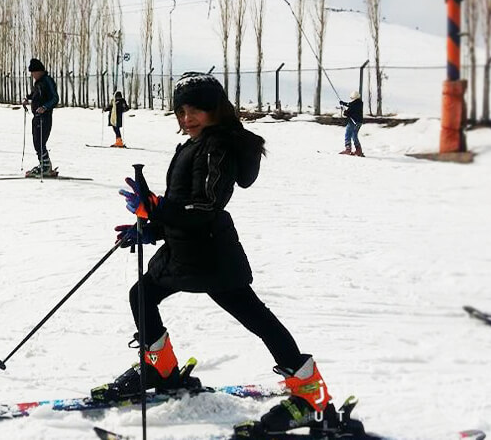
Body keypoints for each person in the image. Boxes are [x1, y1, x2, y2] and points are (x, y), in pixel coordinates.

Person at [98, 72, 334, 436]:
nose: (187, 117)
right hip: (184, 251)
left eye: (197, 109)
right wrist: (148, 226)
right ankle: (160, 368)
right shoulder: (196, 144)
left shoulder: (217, 147)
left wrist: (156, 208)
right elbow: (181, 205)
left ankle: (310, 397)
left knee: (257, 319)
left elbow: (205, 207)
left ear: (215, 110)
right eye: (182, 110)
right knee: (142, 294)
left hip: (211, 255)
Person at [23, 58, 59, 177]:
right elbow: (35, 95)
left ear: (39, 71)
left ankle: (45, 166)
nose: (33, 75)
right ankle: (45, 165)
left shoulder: (47, 81)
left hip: (45, 117)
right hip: (37, 117)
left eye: (33, 73)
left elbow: (55, 98)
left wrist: (45, 107)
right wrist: (28, 99)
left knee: (40, 142)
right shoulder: (38, 83)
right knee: (37, 142)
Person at [339, 91, 364, 157]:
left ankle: (348, 149)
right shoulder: (359, 103)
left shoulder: (353, 104)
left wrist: (345, 112)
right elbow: (350, 105)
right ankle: (358, 150)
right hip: (359, 122)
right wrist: (344, 103)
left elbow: (348, 111)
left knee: (348, 134)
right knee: (354, 135)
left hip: (353, 122)